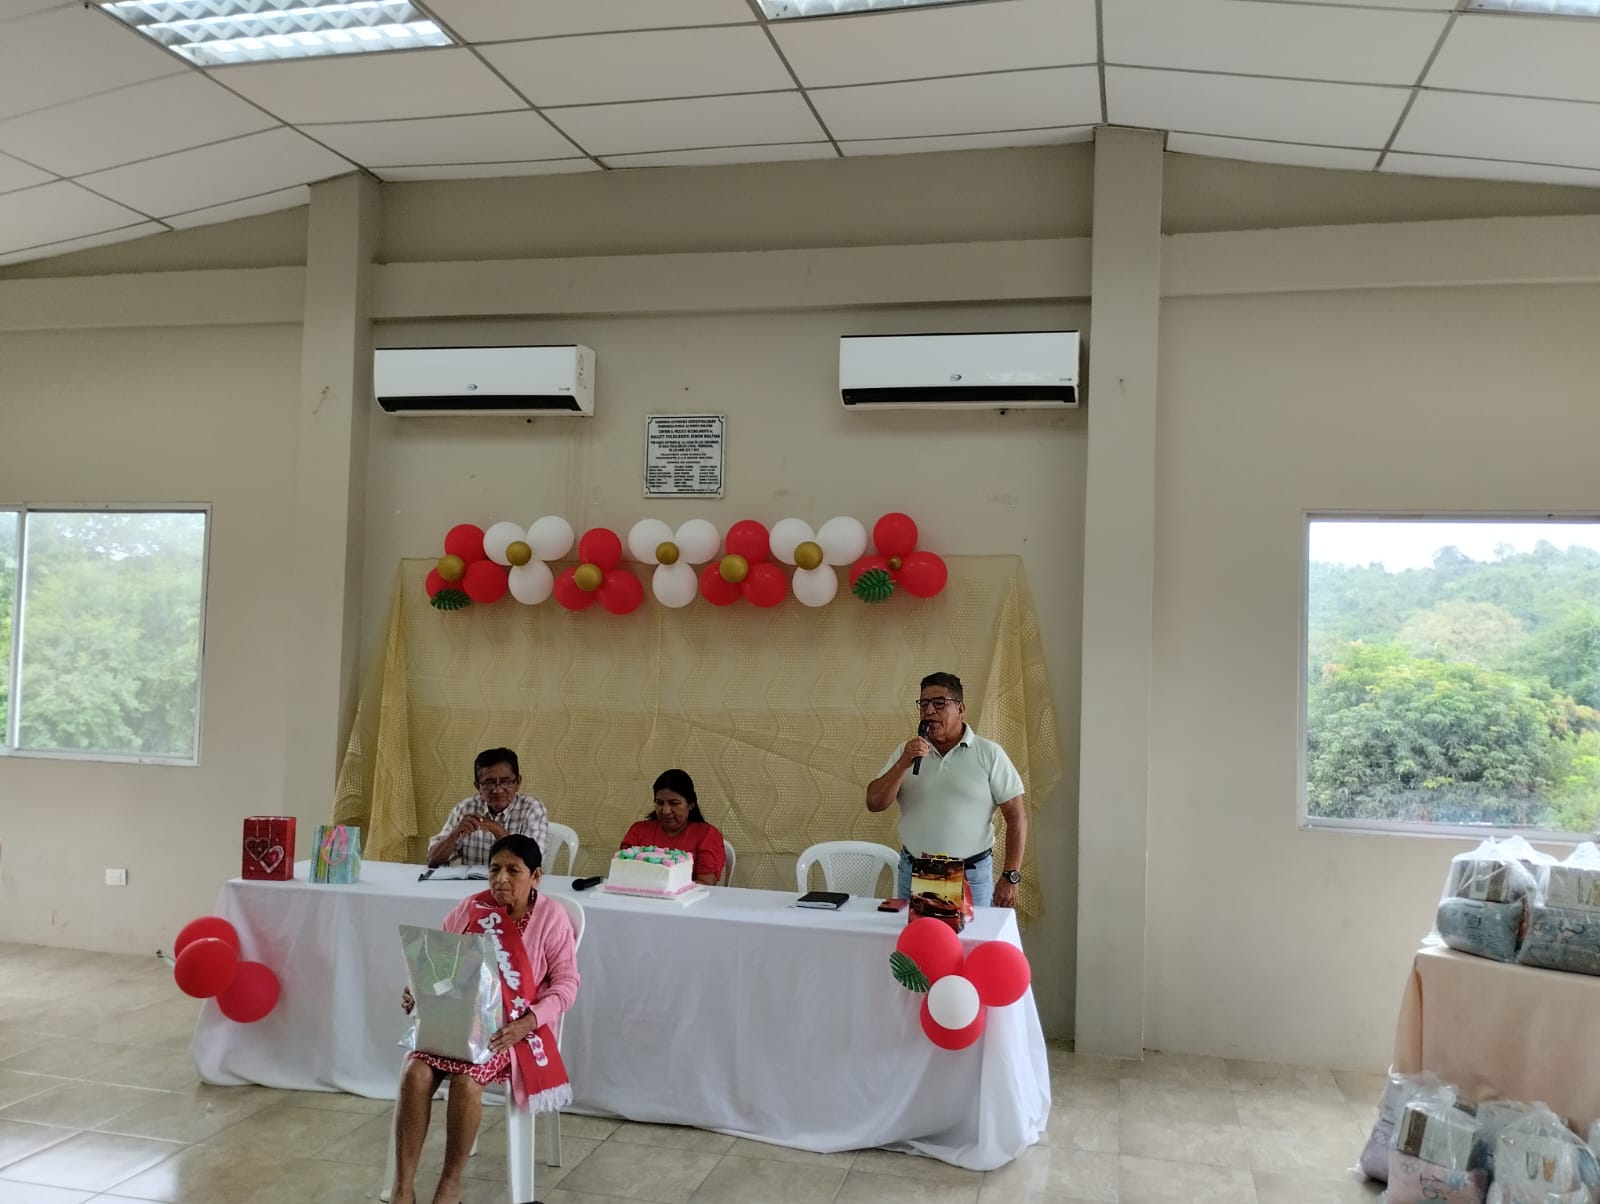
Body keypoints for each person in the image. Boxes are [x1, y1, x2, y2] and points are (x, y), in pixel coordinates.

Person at [393, 834, 578, 1204]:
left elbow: (567, 985)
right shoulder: (470, 908)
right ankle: (403, 1189)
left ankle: (449, 1187)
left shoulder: (551, 917)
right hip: (458, 1022)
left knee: (466, 1081)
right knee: (415, 1074)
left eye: (513, 870)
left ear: (536, 876)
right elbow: (438, 963)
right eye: (495, 870)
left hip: (513, 1030)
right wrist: (417, 991)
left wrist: (528, 1022)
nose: (501, 879)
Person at [865, 672, 1028, 908]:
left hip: (970, 874)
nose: (929, 711)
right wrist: (902, 764)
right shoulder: (907, 752)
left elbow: (1016, 817)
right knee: (918, 933)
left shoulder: (989, 754)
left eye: (939, 703)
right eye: (924, 704)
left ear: (960, 708)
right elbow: (874, 803)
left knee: (972, 933)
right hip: (915, 870)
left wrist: (1011, 876)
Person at [426, 748, 549, 868]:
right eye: (489, 783)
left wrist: (497, 830)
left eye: (505, 782)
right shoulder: (465, 809)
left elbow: (532, 863)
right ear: (478, 786)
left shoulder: (532, 809)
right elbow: (432, 860)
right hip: (472, 881)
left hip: (513, 882)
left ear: (517, 782)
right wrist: (454, 834)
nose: (497, 790)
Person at [619, 769, 727, 886]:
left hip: (688, 897)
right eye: (660, 803)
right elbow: (622, 875)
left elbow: (706, 884)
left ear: (691, 804)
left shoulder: (707, 835)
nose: (665, 811)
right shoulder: (638, 831)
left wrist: (662, 890)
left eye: (674, 803)